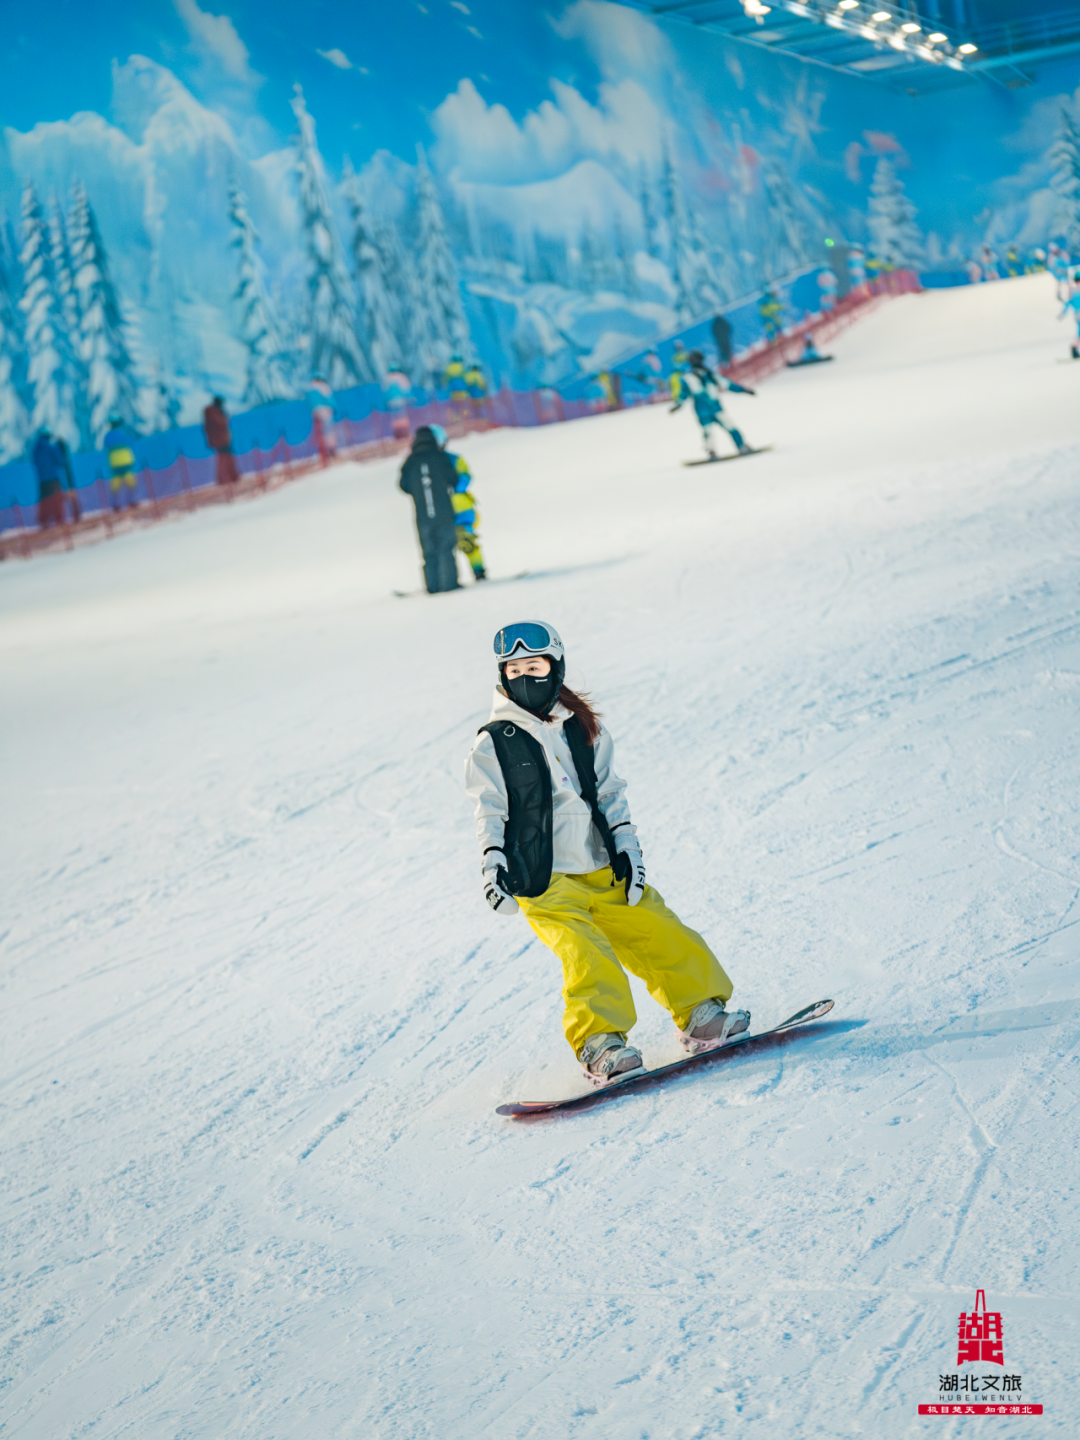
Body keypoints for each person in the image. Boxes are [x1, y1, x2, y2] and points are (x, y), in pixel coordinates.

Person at [465, 621, 749, 1085]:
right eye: (514, 670)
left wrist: (628, 849)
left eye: (534, 667)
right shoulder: (494, 741)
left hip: (601, 864)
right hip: (543, 877)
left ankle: (701, 1014)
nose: (525, 678)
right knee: (585, 953)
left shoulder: (582, 728)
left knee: (658, 930)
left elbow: (610, 792)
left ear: (555, 668)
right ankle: (600, 1043)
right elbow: (489, 808)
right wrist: (493, 861)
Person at [397, 424, 461, 593]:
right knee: (446, 547)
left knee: (429, 551)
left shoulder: (410, 461)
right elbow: (453, 479)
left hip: (423, 514)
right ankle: (449, 584)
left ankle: (433, 586)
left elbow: (403, 485)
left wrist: (419, 489)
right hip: (444, 511)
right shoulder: (440, 457)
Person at [670, 349, 756, 459]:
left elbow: (727, 384)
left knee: (718, 428)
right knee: (713, 430)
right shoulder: (700, 376)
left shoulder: (707, 375)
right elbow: (727, 385)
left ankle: (731, 448)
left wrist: (743, 390)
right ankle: (727, 449)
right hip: (707, 408)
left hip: (708, 408)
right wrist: (744, 390)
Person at [430, 423, 486, 581]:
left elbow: (465, 478)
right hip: (455, 508)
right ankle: (472, 572)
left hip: (458, 509)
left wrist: (448, 489)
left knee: (464, 541)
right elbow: (465, 477)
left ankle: (477, 571)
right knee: (461, 542)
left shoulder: (451, 460)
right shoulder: (452, 459)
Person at [31, 428, 67, 527]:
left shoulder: (35, 449)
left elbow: (34, 463)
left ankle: (44, 521)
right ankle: (58, 519)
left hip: (42, 481)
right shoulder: (50, 447)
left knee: (44, 502)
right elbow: (59, 461)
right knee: (57, 500)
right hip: (53, 479)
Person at [104, 414, 139, 508]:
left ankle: (117, 504)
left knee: (117, 485)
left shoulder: (108, 436)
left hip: (116, 465)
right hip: (125, 463)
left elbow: (107, 447)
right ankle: (131, 501)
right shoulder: (124, 433)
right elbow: (130, 443)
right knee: (129, 482)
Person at [203, 396, 239, 484]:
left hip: (223, 439)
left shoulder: (214, 412)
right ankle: (222, 478)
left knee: (228, 457)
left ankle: (232, 475)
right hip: (220, 440)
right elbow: (221, 423)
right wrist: (224, 417)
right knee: (223, 459)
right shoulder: (213, 412)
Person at [305, 375, 335, 463]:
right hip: (325, 410)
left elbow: (310, 401)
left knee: (319, 432)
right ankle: (331, 450)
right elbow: (328, 398)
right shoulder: (323, 386)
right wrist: (333, 406)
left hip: (315, 411)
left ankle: (322, 451)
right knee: (328, 431)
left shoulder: (309, 387)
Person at [1059, 273, 1080, 360]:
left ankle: (1074, 348)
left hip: (1077, 315)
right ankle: (1074, 347)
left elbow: (1068, 303)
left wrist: (1063, 313)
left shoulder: (1072, 290)